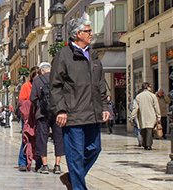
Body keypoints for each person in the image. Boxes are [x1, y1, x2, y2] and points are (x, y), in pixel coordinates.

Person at [50, 16, 111, 190]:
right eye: (88, 31)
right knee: (75, 156)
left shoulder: (93, 55)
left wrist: (104, 106)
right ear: (78, 34)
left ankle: (71, 178)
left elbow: (100, 83)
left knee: (94, 149)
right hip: (73, 114)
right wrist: (60, 110)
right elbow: (55, 86)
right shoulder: (63, 55)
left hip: (92, 113)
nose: (92, 34)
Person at [32, 62, 64, 174]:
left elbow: (33, 98)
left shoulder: (37, 80)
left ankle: (45, 165)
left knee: (42, 138)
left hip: (42, 113)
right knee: (58, 138)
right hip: (57, 113)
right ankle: (57, 165)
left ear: (41, 70)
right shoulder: (58, 78)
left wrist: (40, 105)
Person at [17, 67, 40, 172]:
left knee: (39, 140)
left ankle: (40, 162)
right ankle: (22, 162)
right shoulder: (26, 86)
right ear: (32, 76)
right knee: (26, 139)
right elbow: (21, 101)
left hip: (38, 116)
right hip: (27, 118)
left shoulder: (41, 85)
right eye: (36, 76)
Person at [129, 82, 160, 150]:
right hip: (151, 116)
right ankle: (148, 144)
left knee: (143, 130)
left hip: (142, 116)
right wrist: (158, 116)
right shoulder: (153, 96)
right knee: (149, 130)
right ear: (148, 87)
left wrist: (132, 117)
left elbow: (135, 108)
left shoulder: (139, 96)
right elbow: (156, 107)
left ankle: (145, 143)